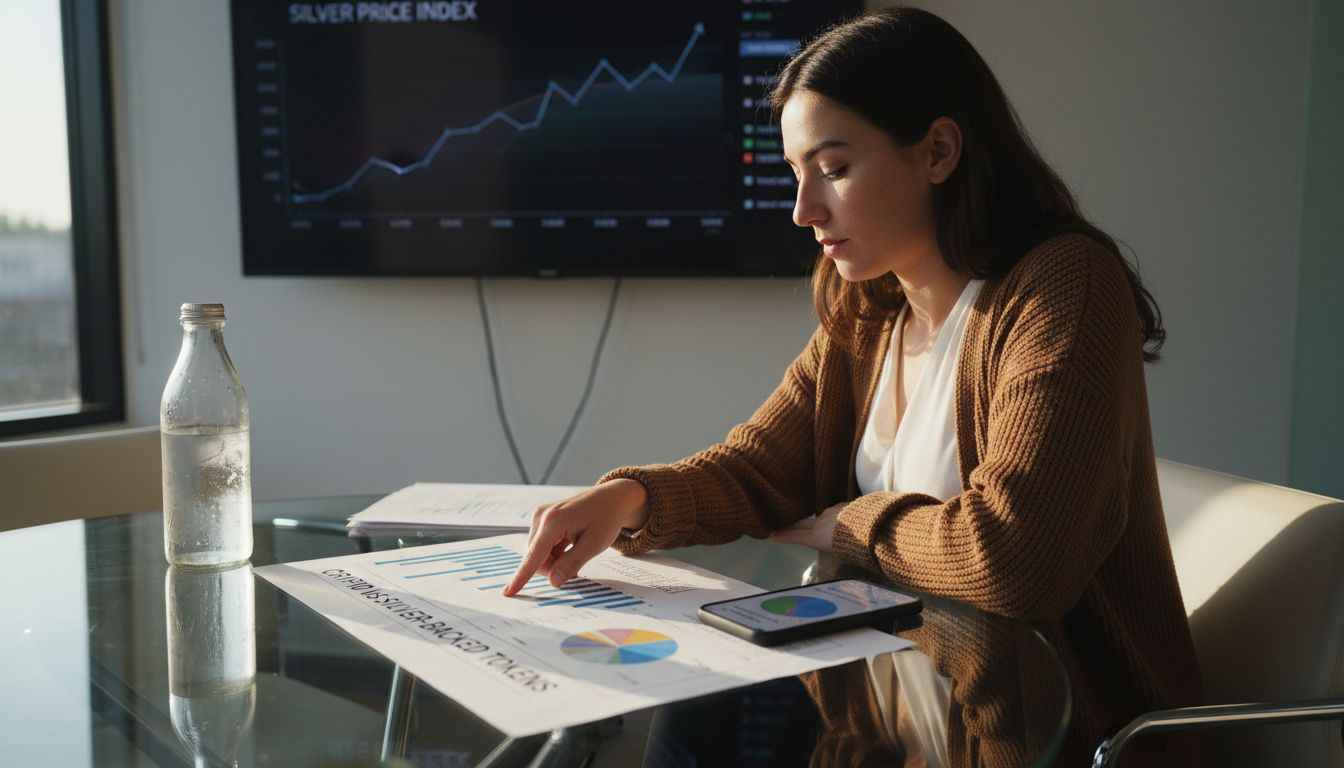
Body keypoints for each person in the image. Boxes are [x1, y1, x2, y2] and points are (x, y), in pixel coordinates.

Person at [504, 7, 1202, 765]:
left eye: (833, 169)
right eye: (795, 174)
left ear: (938, 151)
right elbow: (761, 469)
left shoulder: (1062, 287)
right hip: (892, 732)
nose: (803, 210)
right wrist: (630, 497)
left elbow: (1016, 560)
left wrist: (852, 528)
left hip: (1055, 743)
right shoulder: (872, 308)